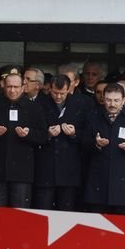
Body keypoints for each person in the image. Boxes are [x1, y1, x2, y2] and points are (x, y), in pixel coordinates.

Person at [0, 71, 47, 208]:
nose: (12, 90)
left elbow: (43, 136)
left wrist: (28, 134)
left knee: (20, 213)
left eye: (16, 87)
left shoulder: (34, 108)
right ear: (3, 86)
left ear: (23, 87)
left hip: (22, 172)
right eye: (9, 86)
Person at [83, 83, 125, 214]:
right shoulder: (93, 116)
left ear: (124, 100)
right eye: (108, 100)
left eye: (116, 100)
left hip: (123, 183)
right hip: (98, 182)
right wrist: (96, 143)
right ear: (103, 99)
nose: (112, 104)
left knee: (123, 224)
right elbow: (83, 142)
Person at [33, 75, 84, 211]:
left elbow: (87, 132)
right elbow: (33, 131)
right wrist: (47, 134)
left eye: (62, 93)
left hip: (69, 167)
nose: (59, 96)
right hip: (46, 166)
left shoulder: (79, 103)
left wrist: (74, 133)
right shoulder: (40, 103)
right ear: (50, 89)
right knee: (43, 210)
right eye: (55, 92)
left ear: (69, 89)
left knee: (66, 211)